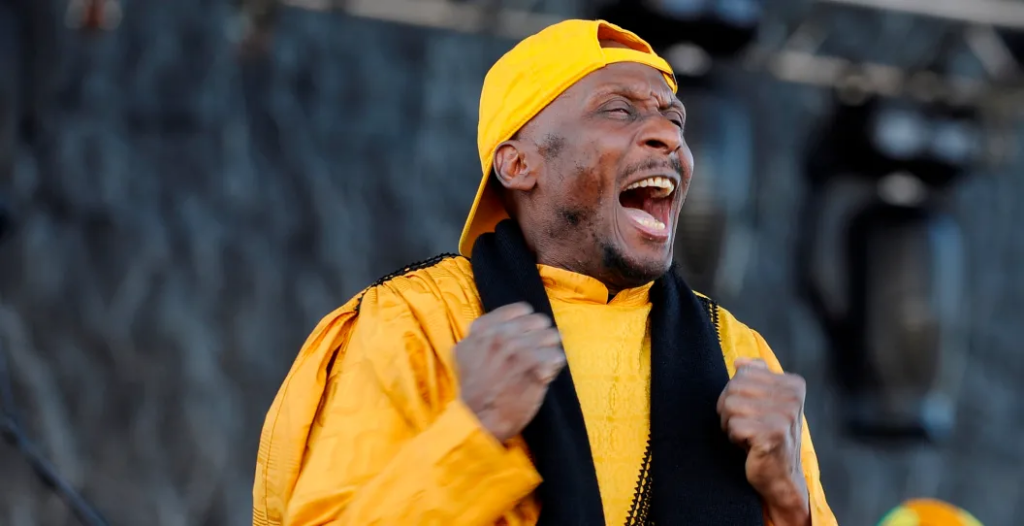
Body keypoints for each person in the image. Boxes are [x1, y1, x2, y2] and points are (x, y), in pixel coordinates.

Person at [252, 19, 837, 526]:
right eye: (618, 110)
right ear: (517, 163)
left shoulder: (736, 350)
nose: (669, 136)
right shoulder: (415, 323)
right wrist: (475, 432)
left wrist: (789, 500)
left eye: (673, 118)